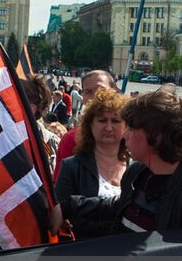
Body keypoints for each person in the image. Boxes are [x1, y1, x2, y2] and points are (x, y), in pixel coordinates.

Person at [64, 90, 182, 236]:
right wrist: (68, 206)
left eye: (130, 128)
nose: (124, 135)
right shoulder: (137, 172)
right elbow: (121, 205)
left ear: (155, 135)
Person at [55, 87, 129, 239]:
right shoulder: (71, 167)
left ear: (126, 126)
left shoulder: (138, 167)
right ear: (90, 124)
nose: (108, 127)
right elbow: (63, 220)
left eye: (115, 120)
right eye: (102, 120)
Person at [54, 70, 118, 170]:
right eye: (88, 92)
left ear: (114, 92)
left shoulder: (129, 135)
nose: (96, 96)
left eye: (102, 90)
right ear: (83, 98)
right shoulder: (71, 140)